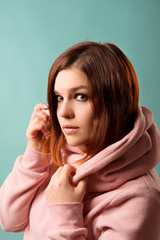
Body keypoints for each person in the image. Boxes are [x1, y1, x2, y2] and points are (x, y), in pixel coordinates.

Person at [0, 41, 160, 240]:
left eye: (80, 96)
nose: (64, 113)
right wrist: (35, 155)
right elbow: (9, 221)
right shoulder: (58, 154)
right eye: (59, 98)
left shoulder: (140, 199)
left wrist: (66, 213)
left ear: (115, 102)